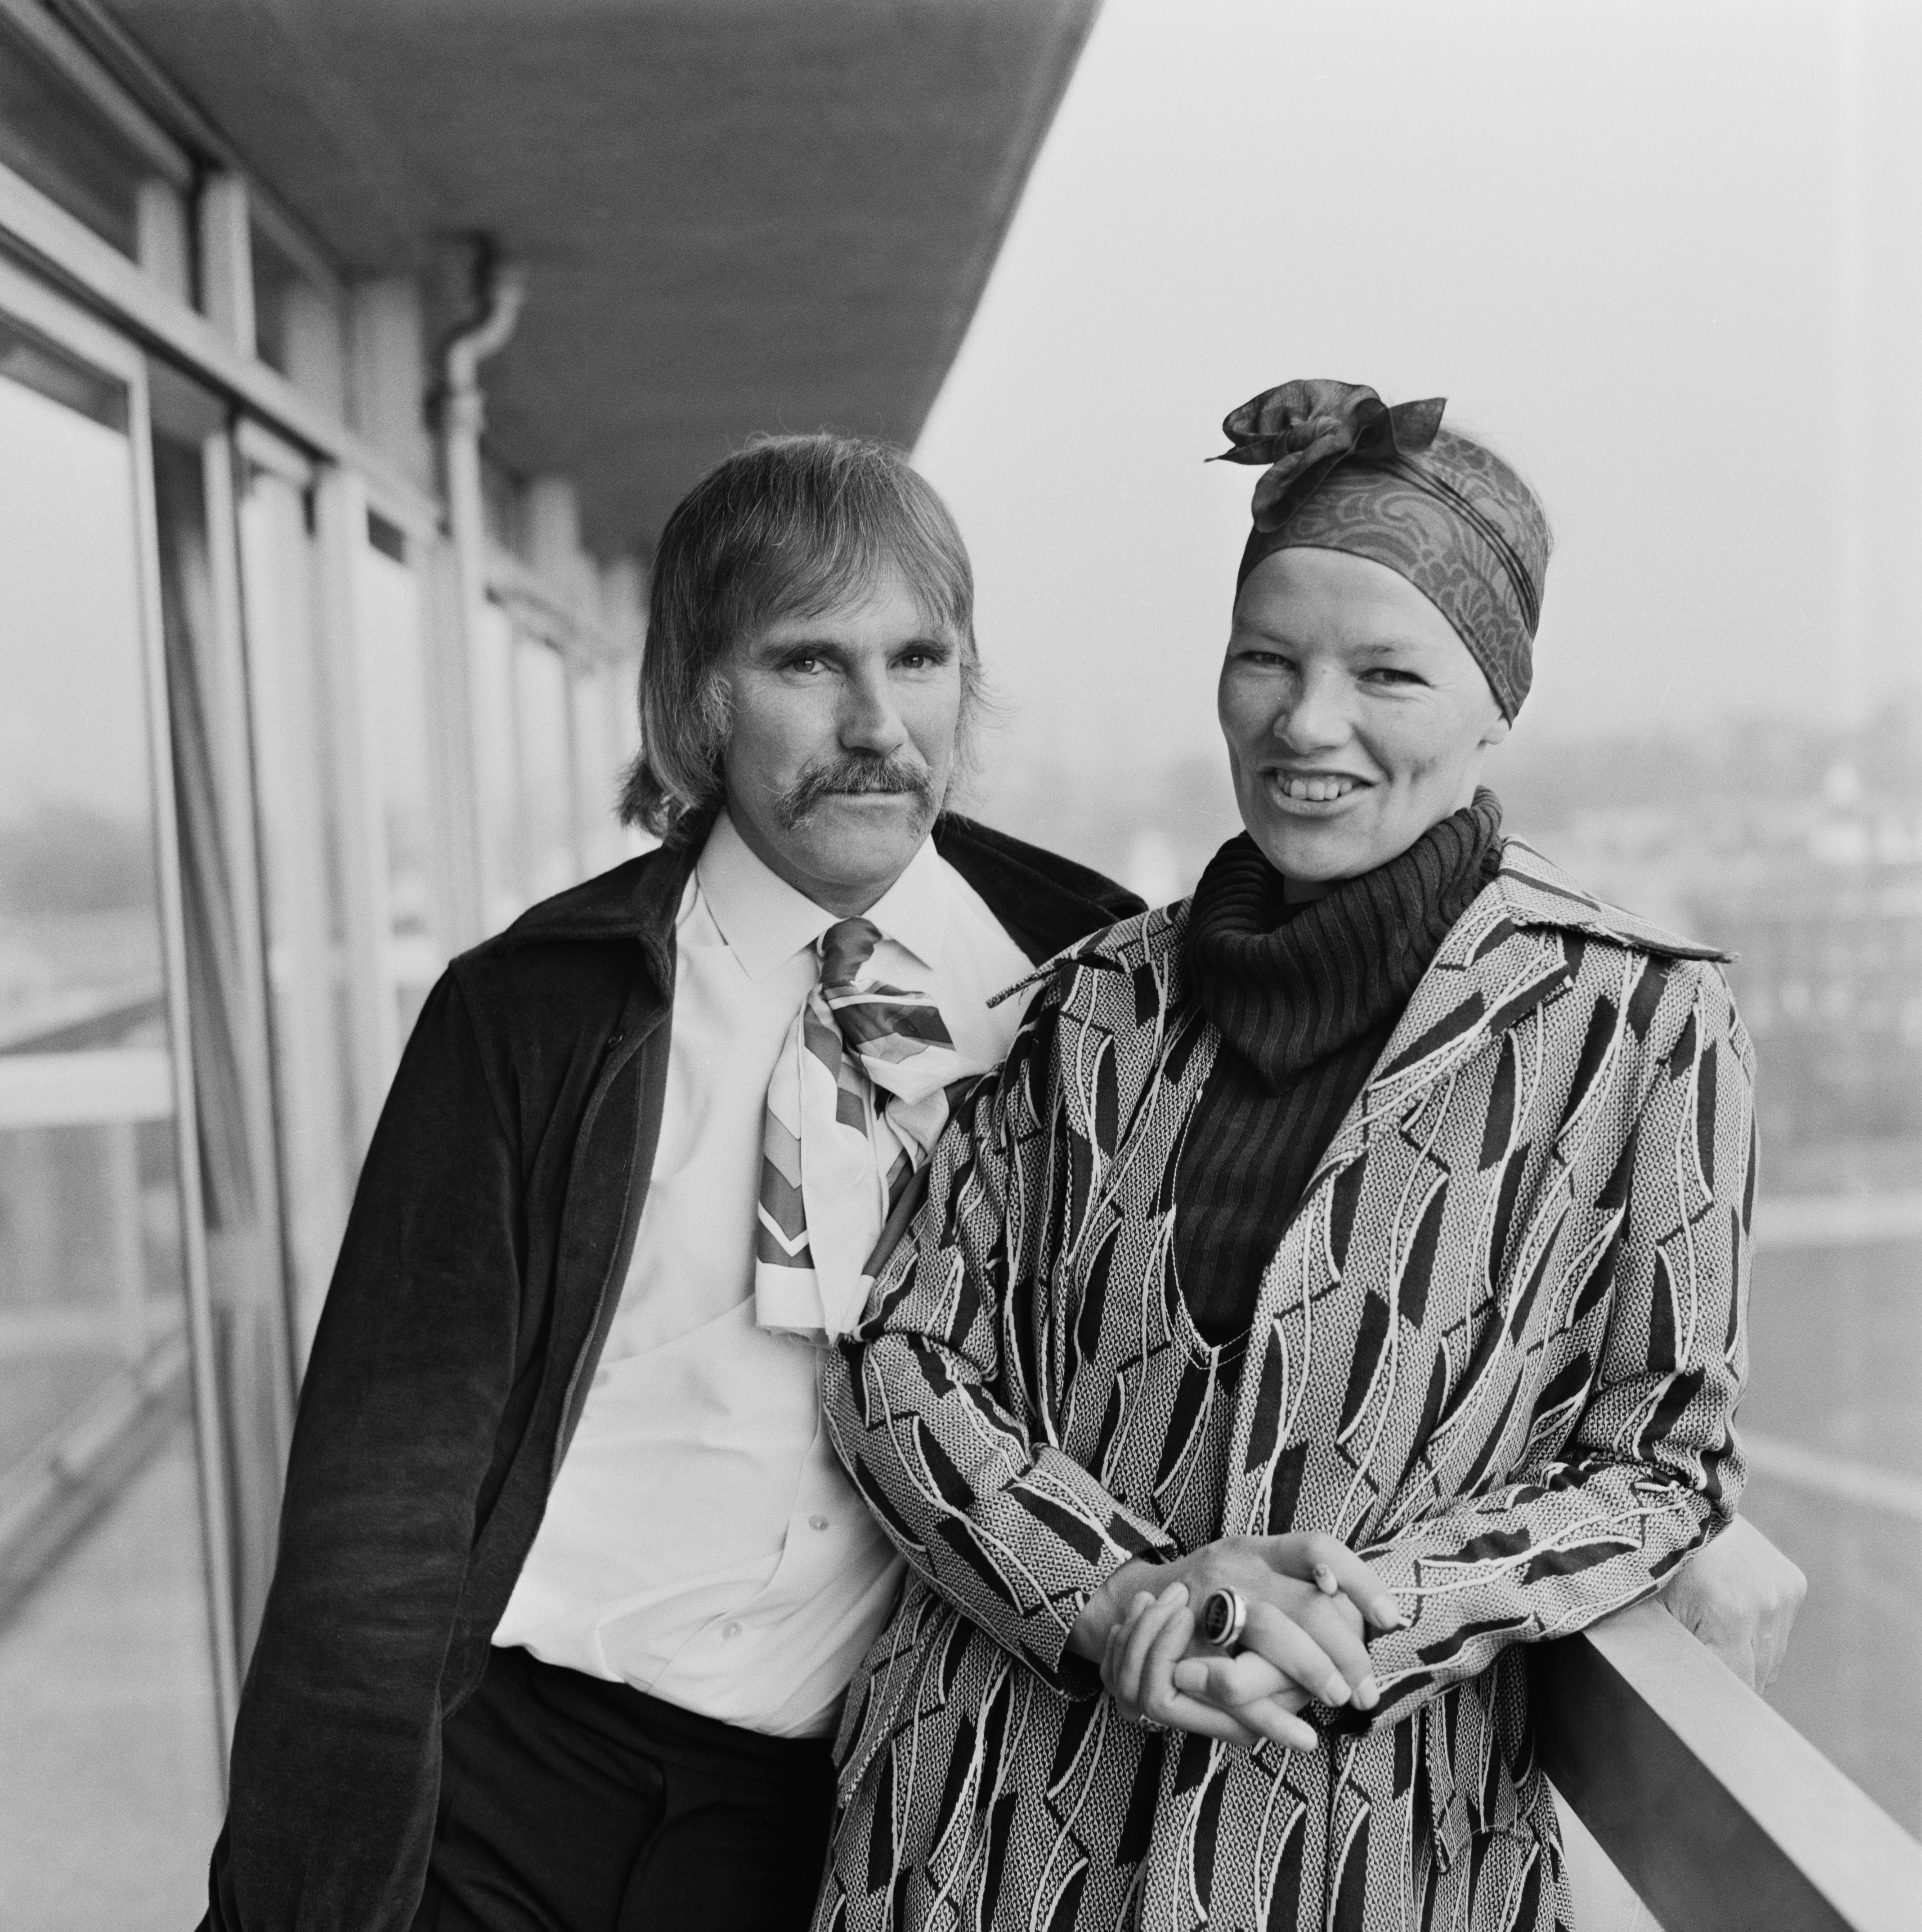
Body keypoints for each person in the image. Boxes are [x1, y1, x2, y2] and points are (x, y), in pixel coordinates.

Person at [816, 381, 1797, 1931]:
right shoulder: (1088, 1001)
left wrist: (1370, 1614)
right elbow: (900, 1358)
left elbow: (1661, 1463)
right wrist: (1119, 1594)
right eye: (1264, 661)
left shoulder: (1640, 1027)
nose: (1305, 722)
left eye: (1384, 673)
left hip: (1372, 1849)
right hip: (989, 1828)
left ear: (1494, 707)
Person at [200, 435, 1143, 1932]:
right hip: (511, 1782)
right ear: (698, 698)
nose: (875, 724)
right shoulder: (534, 1012)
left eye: (918, 656)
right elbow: (378, 1511)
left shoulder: (1092, 986)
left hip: (846, 1809)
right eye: (805, 663)